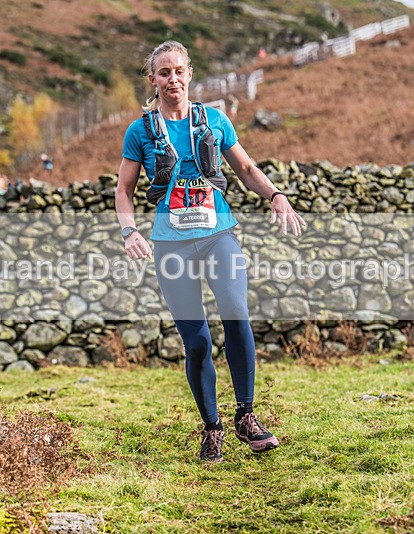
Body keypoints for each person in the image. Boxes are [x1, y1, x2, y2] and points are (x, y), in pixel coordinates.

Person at [115, 40, 305, 463]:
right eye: (163, 73)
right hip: (171, 244)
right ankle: (212, 427)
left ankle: (246, 416)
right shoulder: (140, 131)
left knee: (236, 311)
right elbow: (123, 190)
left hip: (219, 235)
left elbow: (246, 169)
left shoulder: (214, 121)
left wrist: (276, 195)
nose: (172, 79)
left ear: (189, 74)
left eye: (179, 71)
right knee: (197, 341)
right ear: (153, 80)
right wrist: (129, 232)